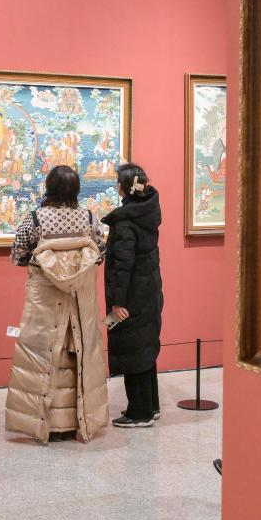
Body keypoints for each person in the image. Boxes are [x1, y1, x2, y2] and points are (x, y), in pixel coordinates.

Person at [6, 165, 109, 443]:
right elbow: (100, 254)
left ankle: (45, 426)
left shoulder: (35, 220)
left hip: (45, 302)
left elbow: (17, 256)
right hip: (80, 302)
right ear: (77, 189)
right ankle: (79, 422)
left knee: (42, 357)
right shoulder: (89, 219)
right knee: (79, 356)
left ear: (49, 187)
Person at [102, 163, 164, 428]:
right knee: (145, 348)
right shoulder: (147, 212)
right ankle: (151, 406)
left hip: (131, 295)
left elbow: (123, 265)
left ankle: (139, 413)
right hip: (149, 291)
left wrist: (118, 302)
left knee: (133, 350)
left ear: (122, 188)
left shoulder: (126, 220)